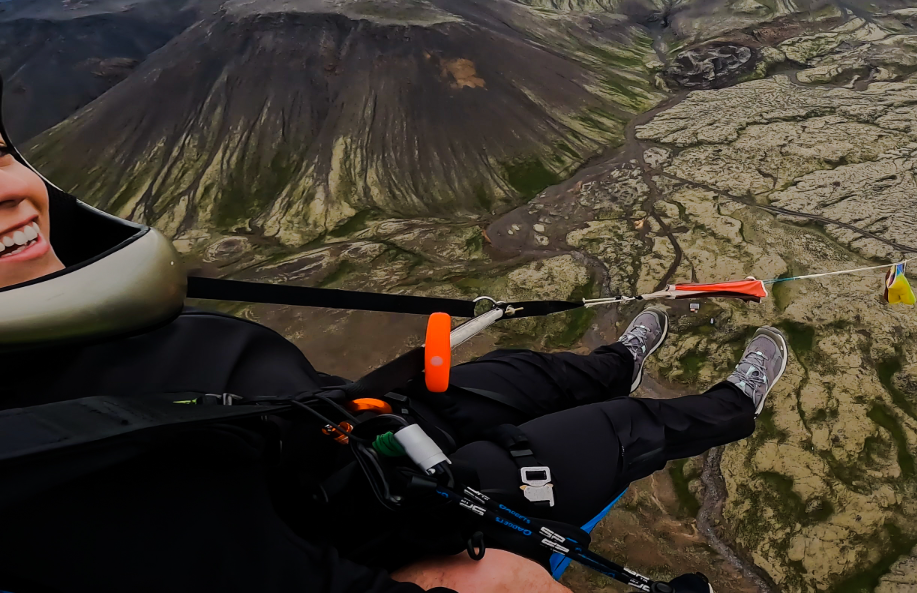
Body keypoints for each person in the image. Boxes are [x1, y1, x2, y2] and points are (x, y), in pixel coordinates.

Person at [0, 126, 790, 593]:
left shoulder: (88, 316)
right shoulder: (51, 472)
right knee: (618, 431)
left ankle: (619, 358)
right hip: (403, 516)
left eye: (0, 151)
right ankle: (733, 406)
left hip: (367, 429)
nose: (8, 191)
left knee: (537, 373)